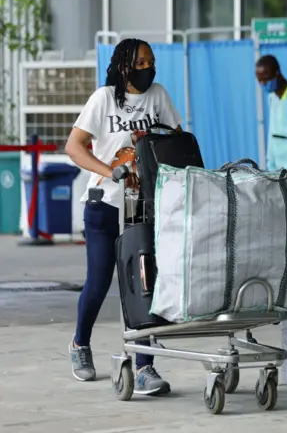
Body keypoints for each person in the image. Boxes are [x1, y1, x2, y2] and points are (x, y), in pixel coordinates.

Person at [65, 38, 182, 394]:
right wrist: (109, 168)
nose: (149, 69)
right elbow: (74, 147)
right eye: (141, 63)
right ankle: (80, 345)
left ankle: (145, 366)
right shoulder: (103, 99)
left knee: (145, 284)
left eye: (152, 62)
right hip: (106, 205)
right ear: (124, 67)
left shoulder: (158, 95)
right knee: (99, 282)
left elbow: (176, 139)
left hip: (145, 206)